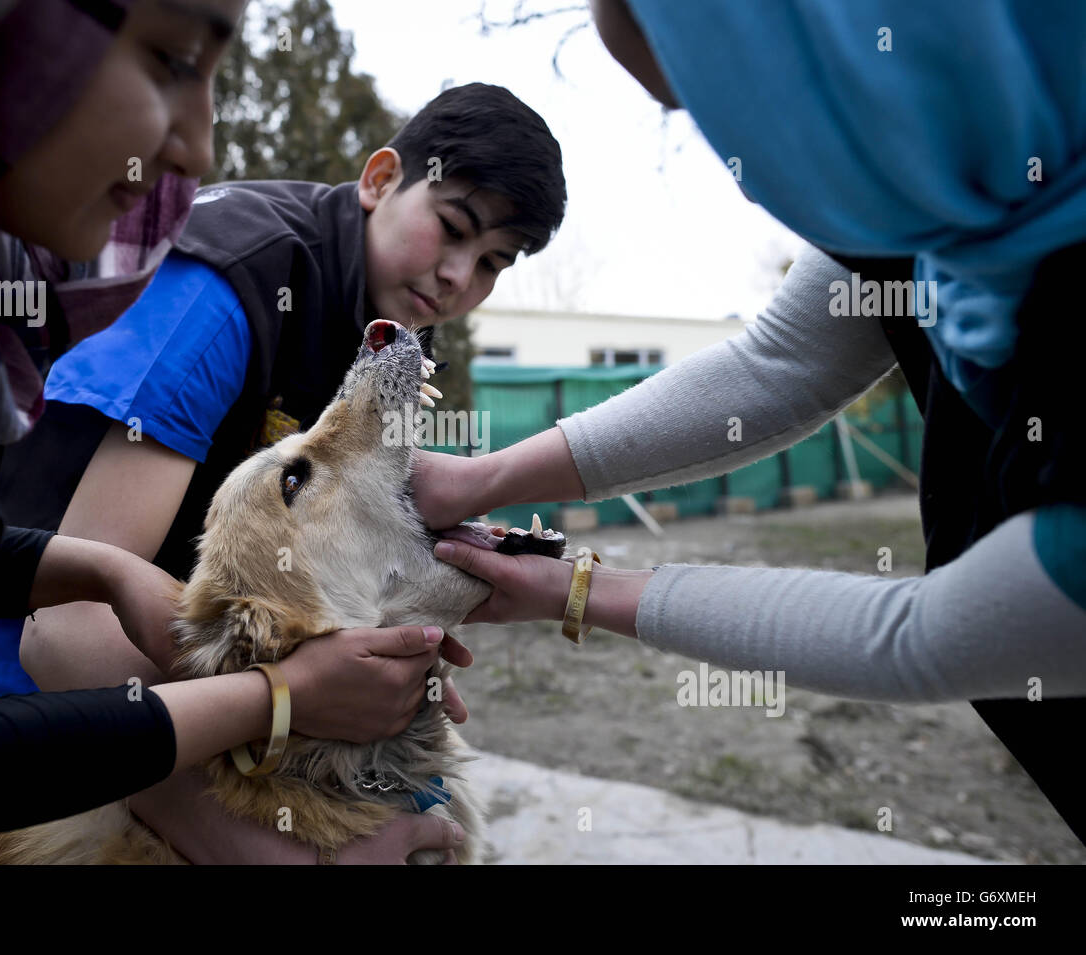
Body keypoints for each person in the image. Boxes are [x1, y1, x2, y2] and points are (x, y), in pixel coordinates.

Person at [0, 0, 465, 864]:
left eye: (495, 260)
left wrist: (99, 569)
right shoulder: (223, 293)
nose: (200, 148)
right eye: (171, 60)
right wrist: (275, 713)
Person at [416, 0, 1086, 844]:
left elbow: (926, 637)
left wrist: (576, 589)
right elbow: (781, 363)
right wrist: (479, 479)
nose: (742, 162)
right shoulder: (919, 153)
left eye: (712, 99)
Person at [0, 82, 567, 861]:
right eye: (453, 228)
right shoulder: (229, 289)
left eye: (492, 263)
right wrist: (262, 841)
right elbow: (63, 631)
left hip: (171, 705)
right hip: (1, 706)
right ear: (380, 180)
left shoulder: (381, 326)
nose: (459, 277)